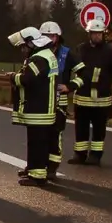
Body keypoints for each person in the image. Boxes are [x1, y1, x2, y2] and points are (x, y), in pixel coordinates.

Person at [65, 14, 112, 165]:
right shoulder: (81, 49)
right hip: (82, 97)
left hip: (101, 98)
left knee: (99, 129)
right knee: (81, 127)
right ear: (89, 34)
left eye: (99, 33)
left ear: (103, 34)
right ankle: (80, 154)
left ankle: (96, 155)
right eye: (94, 33)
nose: (96, 36)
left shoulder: (110, 51)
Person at [11, 27, 60, 186]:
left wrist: (13, 77)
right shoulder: (45, 55)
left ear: (31, 43)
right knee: (35, 140)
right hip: (43, 106)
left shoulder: (39, 58)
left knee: (38, 142)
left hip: (39, 107)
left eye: (24, 46)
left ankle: (37, 176)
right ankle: (32, 168)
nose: (22, 49)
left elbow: (27, 80)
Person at [40, 21, 69, 180]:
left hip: (59, 102)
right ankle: (37, 164)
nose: (49, 39)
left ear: (57, 37)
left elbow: (83, 73)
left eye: (52, 36)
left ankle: (52, 167)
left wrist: (69, 86)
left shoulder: (66, 54)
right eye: (45, 36)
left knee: (54, 134)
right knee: (39, 135)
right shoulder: (37, 52)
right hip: (42, 100)